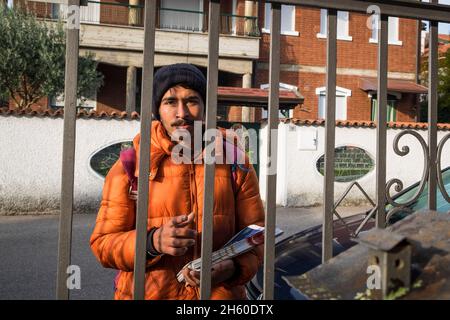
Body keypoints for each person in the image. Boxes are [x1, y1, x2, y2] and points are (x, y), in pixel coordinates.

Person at [90, 63, 265, 300]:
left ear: (205, 107)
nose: (181, 113)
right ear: (157, 110)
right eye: (170, 102)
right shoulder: (131, 165)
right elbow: (103, 245)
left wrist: (234, 268)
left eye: (192, 100)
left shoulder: (235, 161)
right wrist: (151, 242)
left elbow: (257, 238)